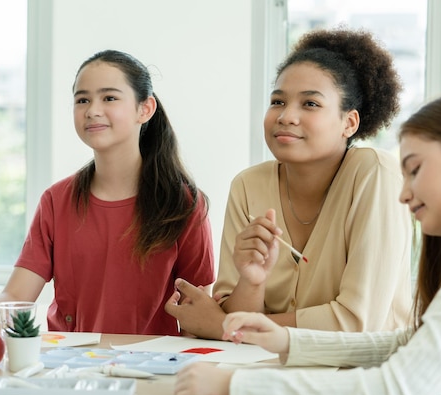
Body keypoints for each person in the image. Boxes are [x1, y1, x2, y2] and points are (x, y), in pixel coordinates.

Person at [173, 91, 441, 395]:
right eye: (278, 100)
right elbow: (408, 343)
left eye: (416, 170)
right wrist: (286, 339)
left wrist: (235, 386)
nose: (404, 195)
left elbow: (394, 392)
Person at [166, 27, 412, 339]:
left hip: (362, 378)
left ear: (349, 122)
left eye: (310, 104)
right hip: (270, 374)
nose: (286, 116)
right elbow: (234, 319)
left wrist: (226, 326)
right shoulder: (248, 185)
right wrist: (252, 282)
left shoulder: (374, 173)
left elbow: (356, 323)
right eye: (278, 101)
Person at [0, 50, 215, 336]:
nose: (92, 110)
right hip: (67, 365)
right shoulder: (56, 200)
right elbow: (15, 295)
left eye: (109, 98)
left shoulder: (185, 204)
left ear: (145, 109)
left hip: (152, 368)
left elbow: (196, 316)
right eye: (82, 99)